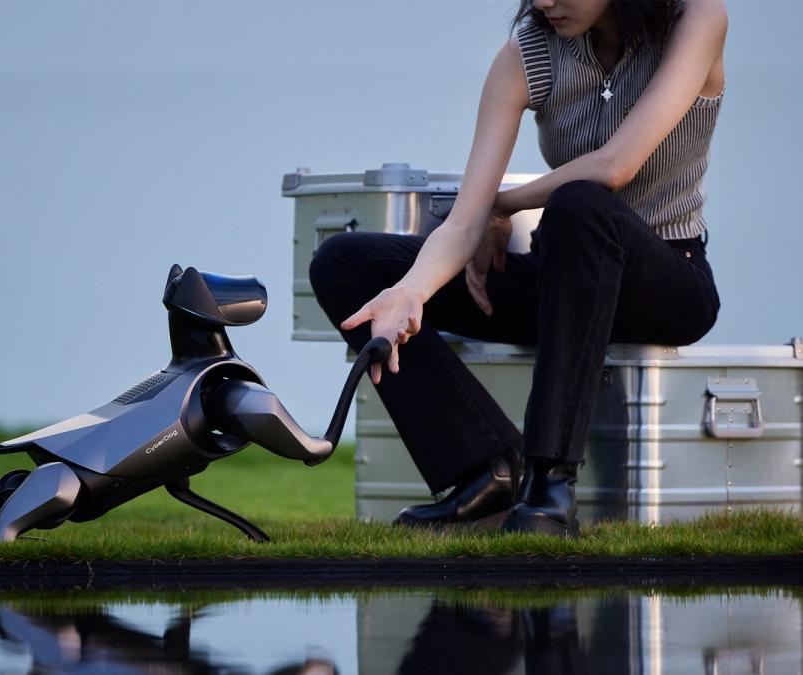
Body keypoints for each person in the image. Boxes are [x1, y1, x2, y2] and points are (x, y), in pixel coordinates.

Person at [309, 0, 726, 537]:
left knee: (581, 202)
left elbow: (616, 166)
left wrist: (503, 205)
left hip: (668, 280)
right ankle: (486, 470)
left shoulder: (696, 18)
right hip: (564, 281)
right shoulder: (525, 55)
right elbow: (463, 224)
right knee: (345, 264)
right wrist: (410, 292)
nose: (543, 2)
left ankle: (550, 483)